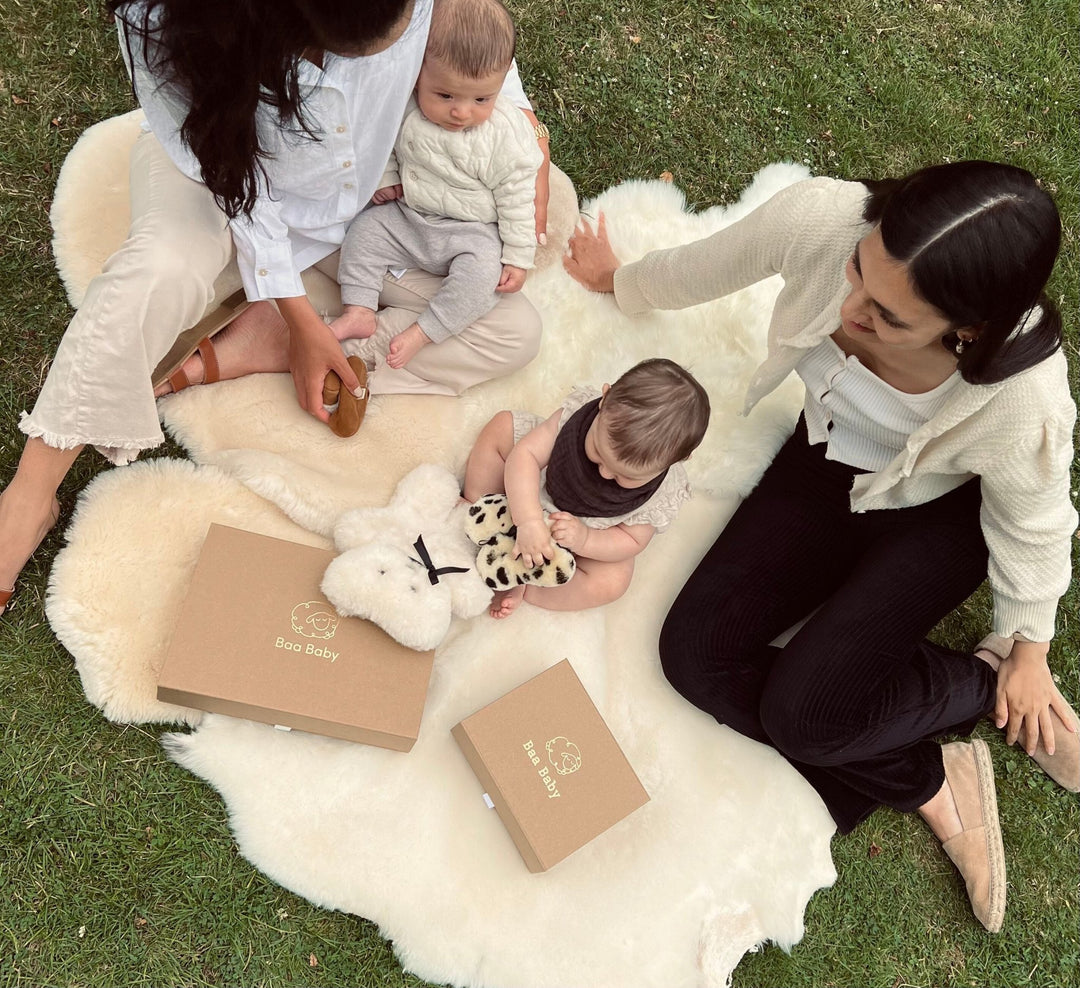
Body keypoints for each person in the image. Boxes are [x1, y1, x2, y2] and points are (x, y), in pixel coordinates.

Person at [563, 161, 1078, 933]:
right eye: (858, 270)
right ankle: (928, 770)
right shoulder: (822, 220)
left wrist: (1031, 647)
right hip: (824, 462)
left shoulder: (1020, 392)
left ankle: (987, 680)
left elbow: (1034, 520)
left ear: (965, 333)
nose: (850, 307)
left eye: (890, 316)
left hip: (940, 519)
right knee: (694, 654)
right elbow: (712, 264)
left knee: (805, 716)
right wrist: (624, 282)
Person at [0, 0, 552, 617]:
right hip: (214, 184)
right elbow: (238, 179)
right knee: (162, 270)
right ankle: (30, 495)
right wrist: (290, 303)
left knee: (514, 329)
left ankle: (277, 341)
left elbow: (468, 27)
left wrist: (525, 124)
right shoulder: (170, 23)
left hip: (366, 216)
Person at [330, 0, 544, 375]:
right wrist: (387, 179)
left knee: (481, 278)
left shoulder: (505, 136)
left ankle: (424, 332)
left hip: (470, 232)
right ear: (418, 73)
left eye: (482, 99)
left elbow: (516, 197)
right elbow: (384, 144)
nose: (461, 112)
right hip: (408, 215)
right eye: (445, 96)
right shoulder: (405, 106)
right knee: (364, 234)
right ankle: (360, 309)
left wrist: (518, 255)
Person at [462, 358, 710, 618]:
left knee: (613, 582)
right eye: (597, 453)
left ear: (676, 461)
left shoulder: (661, 494)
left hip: (582, 533)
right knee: (502, 426)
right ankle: (474, 506)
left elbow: (631, 540)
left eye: (623, 476)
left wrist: (585, 540)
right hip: (530, 488)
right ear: (604, 400)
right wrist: (528, 520)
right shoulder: (578, 412)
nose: (603, 472)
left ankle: (527, 579)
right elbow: (526, 456)